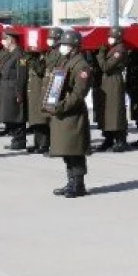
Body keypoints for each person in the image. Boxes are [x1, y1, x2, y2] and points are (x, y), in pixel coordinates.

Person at [45, 30, 92, 198]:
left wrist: (61, 106)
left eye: (65, 45)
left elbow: (79, 93)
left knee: (75, 150)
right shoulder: (66, 61)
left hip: (72, 112)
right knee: (66, 150)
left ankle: (78, 184)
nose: (62, 48)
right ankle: (71, 181)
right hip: (62, 111)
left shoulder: (81, 65)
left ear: (74, 47)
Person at [93, 27, 130, 152]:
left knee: (115, 112)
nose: (110, 39)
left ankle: (120, 140)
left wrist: (101, 53)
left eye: (112, 36)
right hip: (106, 82)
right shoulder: (113, 48)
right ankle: (108, 139)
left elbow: (106, 67)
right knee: (106, 112)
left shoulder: (119, 50)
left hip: (114, 81)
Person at [0, 30, 29, 150]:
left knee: (17, 116)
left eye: (5, 39)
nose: (3, 41)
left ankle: (20, 140)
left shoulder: (19, 55)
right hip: (7, 88)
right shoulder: (9, 54)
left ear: (11, 40)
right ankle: (16, 139)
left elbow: (21, 75)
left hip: (14, 89)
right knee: (10, 116)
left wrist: (19, 92)